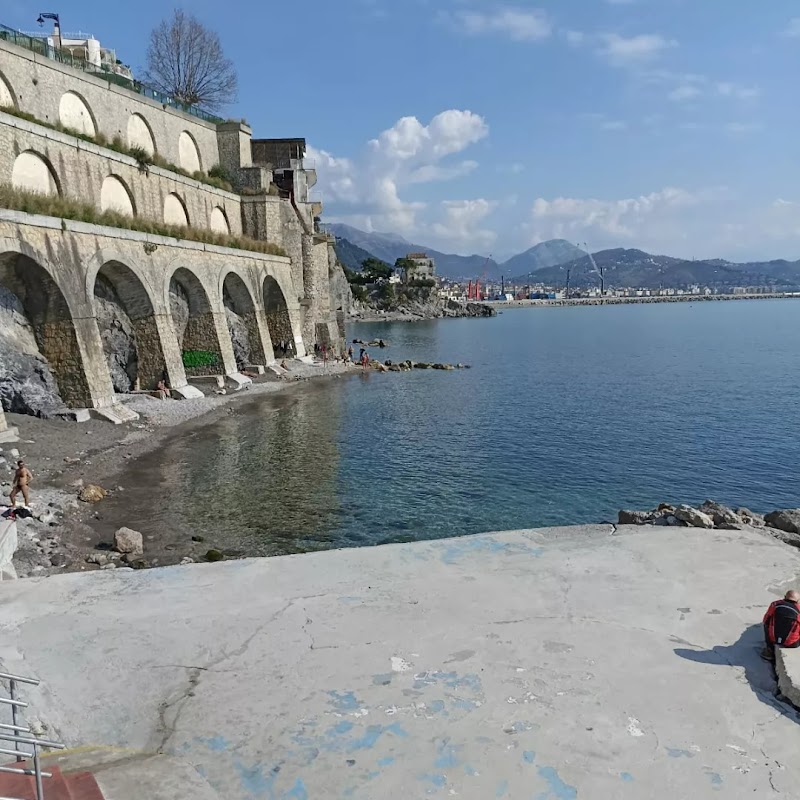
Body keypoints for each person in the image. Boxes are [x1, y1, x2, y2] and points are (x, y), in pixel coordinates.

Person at [762, 590, 800, 661]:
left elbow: (765, 620)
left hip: (773, 639)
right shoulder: (799, 609)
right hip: (792, 643)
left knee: (766, 624)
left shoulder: (775, 604)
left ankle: (769, 650)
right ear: (797, 601)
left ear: (785, 597)